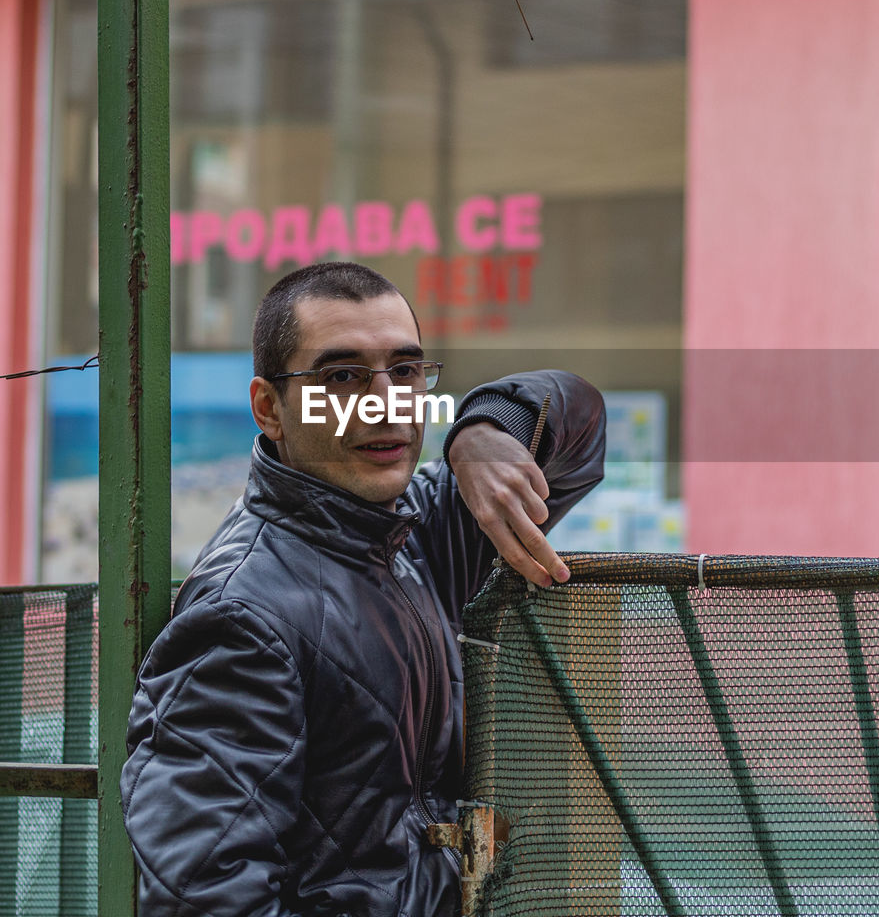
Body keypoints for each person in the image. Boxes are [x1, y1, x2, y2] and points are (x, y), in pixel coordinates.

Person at [122, 261, 605, 917]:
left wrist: (483, 431)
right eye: (342, 376)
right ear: (270, 408)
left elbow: (580, 422)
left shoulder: (416, 529)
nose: (387, 402)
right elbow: (203, 897)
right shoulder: (242, 616)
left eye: (405, 371)